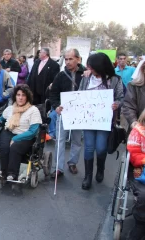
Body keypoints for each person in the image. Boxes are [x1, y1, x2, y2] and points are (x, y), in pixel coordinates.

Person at [78, 52, 123, 190]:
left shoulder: (115, 79)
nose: (90, 69)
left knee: (101, 147)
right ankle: (88, 176)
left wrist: (116, 104)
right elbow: (79, 93)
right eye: (89, 67)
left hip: (104, 120)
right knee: (89, 147)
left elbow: (121, 97)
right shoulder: (86, 78)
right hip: (88, 119)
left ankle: (101, 168)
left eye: (93, 67)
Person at [0, 84, 42, 180]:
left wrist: (16, 138)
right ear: (15, 96)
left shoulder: (33, 110)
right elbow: (1, 120)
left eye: (23, 95)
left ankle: (12, 173)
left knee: (14, 147)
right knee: (4, 146)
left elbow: (33, 131)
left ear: (27, 97)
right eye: (18, 95)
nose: (20, 97)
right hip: (9, 131)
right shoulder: (10, 109)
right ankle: (4, 170)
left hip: (25, 135)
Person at [49, 49, 85, 178]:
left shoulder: (86, 74)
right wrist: (56, 106)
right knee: (60, 140)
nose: (68, 62)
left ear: (78, 59)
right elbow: (53, 93)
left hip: (79, 113)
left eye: (71, 59)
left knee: (76, 139)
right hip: (63, 112)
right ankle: (58, 168)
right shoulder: (61, 75)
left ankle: (72, 163)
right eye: (66, 59)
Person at [126, 109, 145, 240]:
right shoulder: (137, 132)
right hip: (140, 169)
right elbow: (133, 154)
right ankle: (140, 223)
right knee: (144, 195)